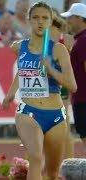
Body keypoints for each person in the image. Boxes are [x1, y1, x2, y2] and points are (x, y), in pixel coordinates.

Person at [2, 2, 77, 180]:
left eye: (45, 18)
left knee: (52, 173)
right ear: (29, 20)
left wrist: (51, 69)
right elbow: (23, 71)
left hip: (56, 116)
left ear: (50, 22)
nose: (40, 22)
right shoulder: (18, 47)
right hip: (28, 111)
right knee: (35, 157)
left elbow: (72, 85)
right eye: (36, 17)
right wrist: (11, 92)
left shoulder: (59, 50)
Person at [61, 3, 86, 155]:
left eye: (70, 17)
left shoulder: (83, 40)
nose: (68, 21)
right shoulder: (80, 40)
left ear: (79, 19)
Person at [50, 9, 75, 158]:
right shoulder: (43, 39)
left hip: (59, 85)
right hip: (45, 86)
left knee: (63, 125)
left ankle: (68, 162)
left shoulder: (64, 40)